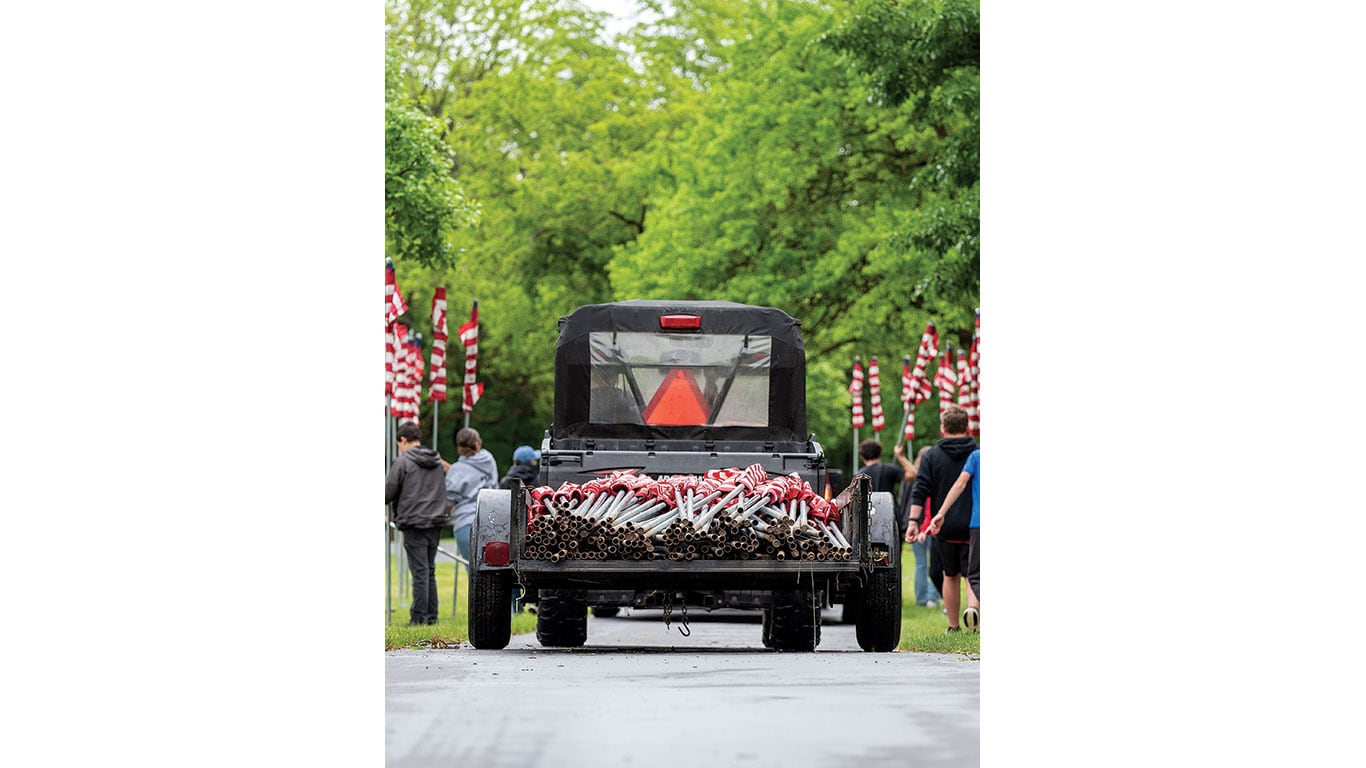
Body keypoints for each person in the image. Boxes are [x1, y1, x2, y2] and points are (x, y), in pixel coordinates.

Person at [903, 406, 978, 633]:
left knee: (950, 574)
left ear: (943, 428)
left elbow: (920, 489)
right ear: (967, 427)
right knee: (973, 574)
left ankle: (953, 625)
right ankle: (973, 611)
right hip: (974, 524)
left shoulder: (931, 456)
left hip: (943, 523)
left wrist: (914, 522)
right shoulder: (977, 452)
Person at [384, 422, 449, 625]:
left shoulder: (403, 462)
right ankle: (431, 616)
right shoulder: (437, 462)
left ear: (403, 440)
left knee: (420, 571)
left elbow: (389, 491)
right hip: (436, 521)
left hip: (414, 522)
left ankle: (419, 617)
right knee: (429, 570)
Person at [930, 447, 980, 631]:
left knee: (969, 575)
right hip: (970, 525)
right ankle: (973, 608)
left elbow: (960, 484)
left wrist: (941, 513)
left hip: (977, 522)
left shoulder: (976, 456)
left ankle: (958, 622)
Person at [445, 427, 499, 575]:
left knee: (475, 574)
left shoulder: (456, 471)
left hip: (465, 525)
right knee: (497, 569)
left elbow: (450, 500)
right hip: (491, 522)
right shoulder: (489, 461)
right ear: (478, 444)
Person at [899, 444, 942, 608]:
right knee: (933, 563)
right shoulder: (928, 478)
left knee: (920, 562)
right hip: (926, 523)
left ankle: (921, 598)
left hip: (911, 523)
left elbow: (904, 502)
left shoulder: (909, 479)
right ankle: (932, 597)